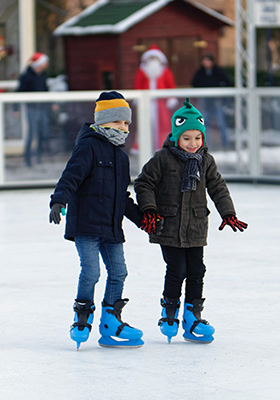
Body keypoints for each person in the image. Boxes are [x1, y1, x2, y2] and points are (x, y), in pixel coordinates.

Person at [134, 98, 248, 344]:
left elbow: (218, 187)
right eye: (186, 138)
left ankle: (193, 316)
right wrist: (150, 210)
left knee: (197, 270)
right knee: (177, 269)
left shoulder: (206, 160)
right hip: (169, 225)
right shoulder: (162, 158)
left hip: (196, 225)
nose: (192, 143)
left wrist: (228, 213)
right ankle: (169, 312)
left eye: (197, 137)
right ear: (176, 137)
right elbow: (143, 183)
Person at [49, 91, 145, 349]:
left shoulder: (122, 158)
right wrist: (59, 200)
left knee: (119, 272)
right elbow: (71, 176)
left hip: (111, 226)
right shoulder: (88, 146)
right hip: (87, 225)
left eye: (126, 123)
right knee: (91, 272)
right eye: (117, 123)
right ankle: (82, 317)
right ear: (102, 122)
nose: (123, 128)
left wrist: (143, 220)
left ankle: (111, 321)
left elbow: (122, 197)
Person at [133, 45, 177, 149]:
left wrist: (171, 97)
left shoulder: (165, 71)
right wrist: (137, 97)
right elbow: (138, 85)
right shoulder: (142, 71)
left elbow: (170, 85)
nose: (153, 60)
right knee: (144, 123)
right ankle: (141, 146)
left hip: (161, 102)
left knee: (163, 124)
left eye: (154, 58)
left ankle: (164, 144)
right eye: (151, 58)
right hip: (146, 102)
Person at [191, 53, 233, 148]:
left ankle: (225, 143)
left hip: (216, 101)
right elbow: (194, 84)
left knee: (221, 122)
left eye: (208, 60)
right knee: (204, 122)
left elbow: (227, 82)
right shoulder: (200, 72)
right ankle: (205, 143)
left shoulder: (218, 71)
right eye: (204, 61)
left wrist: (222, 93)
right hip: (205, 101)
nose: (206, 63)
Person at [17, 52, 50, 167]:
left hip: (42, 107)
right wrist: (15, 108)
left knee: (42, 131)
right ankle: (28, 158)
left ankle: (38, 156)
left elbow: (46, 90)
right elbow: (19, 91)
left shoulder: (43, 75)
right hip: (31, 107)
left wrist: (51, 104)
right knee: (31, 133)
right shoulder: (26, 76)